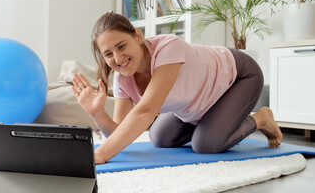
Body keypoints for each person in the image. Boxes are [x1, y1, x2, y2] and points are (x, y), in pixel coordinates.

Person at [72, 12, 283, 165]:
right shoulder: (122, 78)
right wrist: (97, 113)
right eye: (108, 54)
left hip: (239, 77)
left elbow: (146, 111)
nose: (118, 58)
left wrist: (101, 154)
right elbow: (118, 133)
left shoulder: (167, 47)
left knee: (205, 145)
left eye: (122, 46)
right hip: (200, 102)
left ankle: (261, 118)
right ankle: (213, 122)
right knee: (160, 138)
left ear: (137, 36)